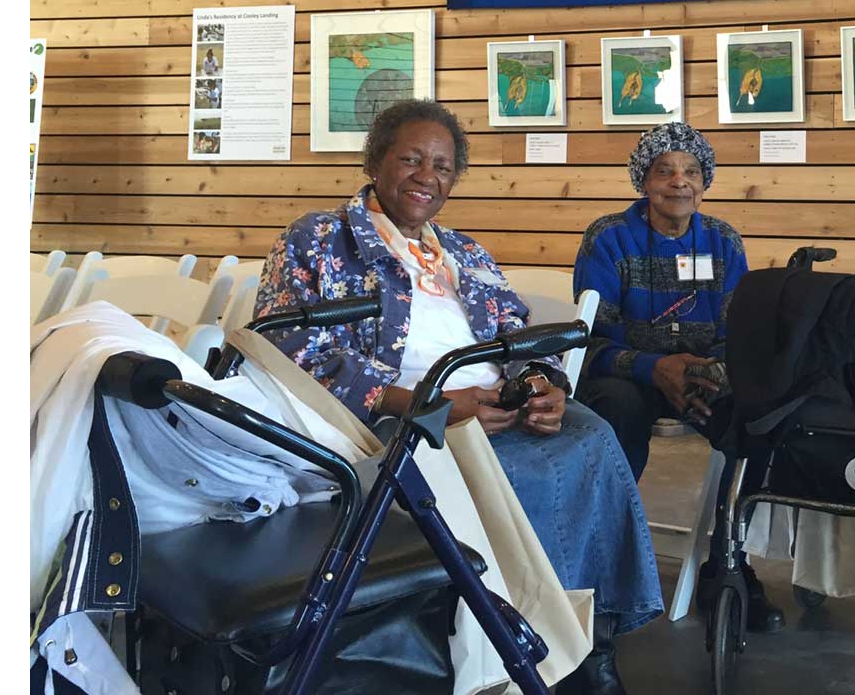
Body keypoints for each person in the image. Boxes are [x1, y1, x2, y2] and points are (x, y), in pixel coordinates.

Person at [258, 99, 660, 695]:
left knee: (593, 437)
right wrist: (425, 405)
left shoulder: (464, 253)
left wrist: (544, 383)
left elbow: (520, 331)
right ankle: (528, 647)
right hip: (396, 414)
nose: (427, 177)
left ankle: (592, 647)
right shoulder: (319, 238)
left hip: (491, 398)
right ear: (374, 160)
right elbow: (284, 346)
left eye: (443, 167)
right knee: (522, 466)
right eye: (411, 159)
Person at [572, 122, 784, 634]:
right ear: (642, 181)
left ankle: (727, 565)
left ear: (705, 182)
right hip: (628, 376)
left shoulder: (723, 241)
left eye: (691, 171)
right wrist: (655, 367)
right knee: (614, 409)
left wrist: (708, 371)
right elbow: (591, 339)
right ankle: (602, 572)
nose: (678, 182)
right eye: (663, 170)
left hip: (700, 375)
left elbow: (738, 329)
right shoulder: (609, 238)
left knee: (758, 416)